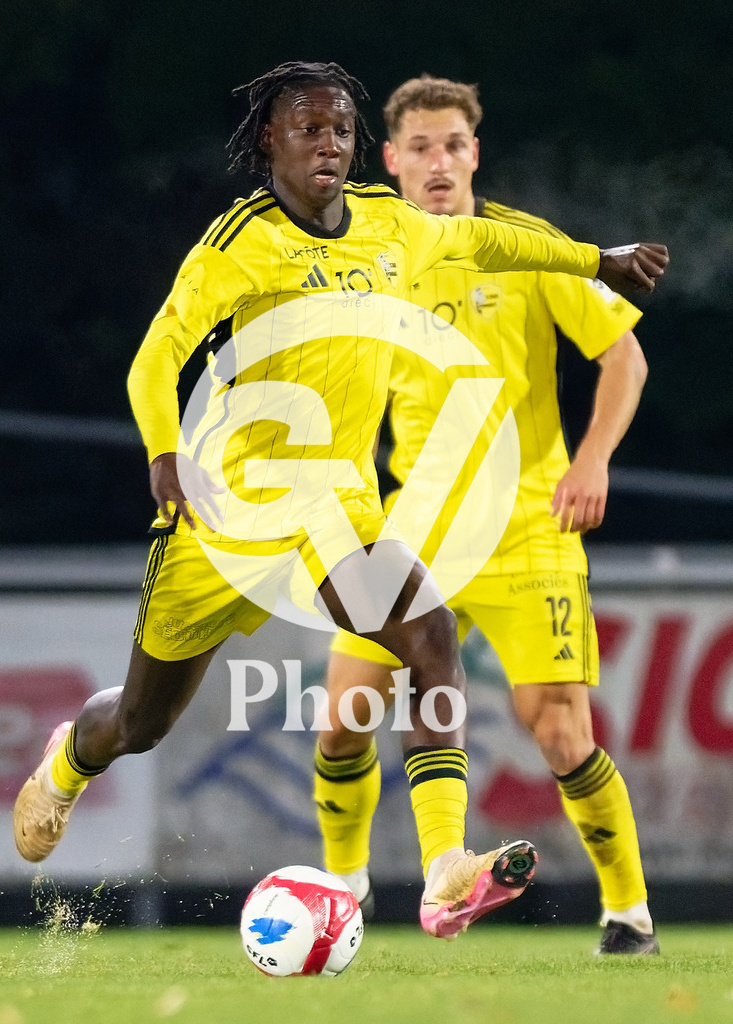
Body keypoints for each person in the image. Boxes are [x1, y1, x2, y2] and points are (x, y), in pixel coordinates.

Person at [13, 61, 667, 941]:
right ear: (269, 143)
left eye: (340, 130)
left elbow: (501, 244)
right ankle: (69, 762)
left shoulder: (393, 228)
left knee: (425, 634)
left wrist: (600, 259)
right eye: (308, 129)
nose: (328, 143)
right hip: (227, 510)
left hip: (339, 510)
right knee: (140, 721)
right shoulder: (237, 241)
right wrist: (165, 452)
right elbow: (156, 356)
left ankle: (443, 870)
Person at [312, 74, 659, 954]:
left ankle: (629, 915)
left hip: (528, 528)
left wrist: (591, 460)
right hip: (413, 531)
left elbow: (625, 358)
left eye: (454, 145)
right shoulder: (362, 262)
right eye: (420, 147)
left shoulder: (527, 246)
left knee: (560, 731)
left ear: (475, 153)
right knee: (344, 717)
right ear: (388, 161)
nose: (438, 162)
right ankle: (345, 893)